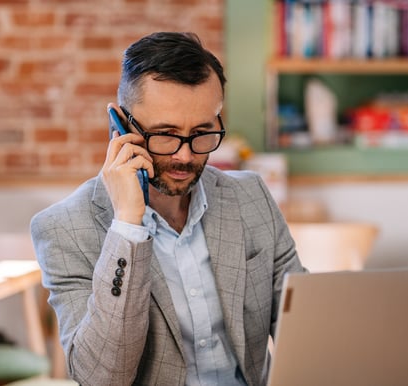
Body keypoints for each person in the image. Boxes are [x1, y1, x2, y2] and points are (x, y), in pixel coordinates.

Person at [30, 31, 305, 386]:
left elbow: (305, 330)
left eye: (202, 132)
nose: (185, 155)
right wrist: (128, 227)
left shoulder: (250, 196)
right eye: (166, 134)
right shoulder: (64, 228)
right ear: (120, 126)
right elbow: (102, 378)